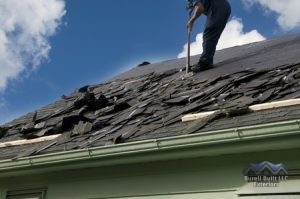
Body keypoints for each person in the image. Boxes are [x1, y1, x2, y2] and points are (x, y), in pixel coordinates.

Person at [187, 0, 231, 72]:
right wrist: (192, 5)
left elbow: (200, 8)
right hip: (225, 7)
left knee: (209, 34)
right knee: (212, 35)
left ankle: (205, 62)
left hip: (217, 9)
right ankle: (206, 61)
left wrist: (191, 21)